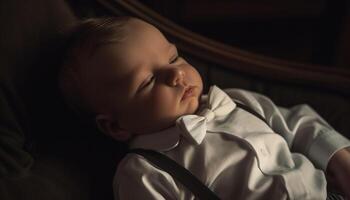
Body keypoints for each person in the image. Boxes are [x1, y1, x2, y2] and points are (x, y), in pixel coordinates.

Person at [58, 17, 350, 199]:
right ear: (116, 126)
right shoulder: (144, 172)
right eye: (147, 81)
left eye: (173, 58)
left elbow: (299, 125)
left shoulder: (236, 100)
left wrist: (338, 157)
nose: (176, 75)